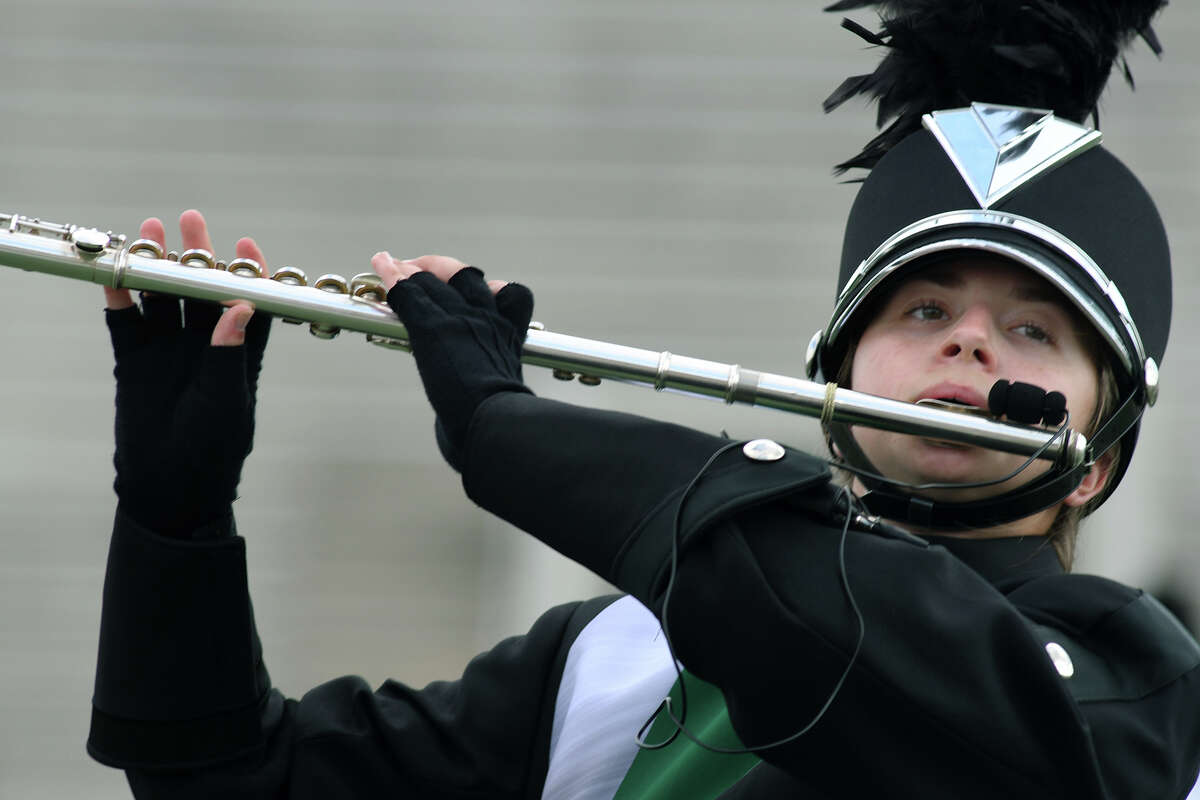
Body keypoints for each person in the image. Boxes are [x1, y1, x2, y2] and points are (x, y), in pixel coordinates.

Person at [87, 3, 1200, 798]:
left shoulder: (1137, 688)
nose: (966, 336)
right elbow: (224, 772)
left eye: (1032, 330)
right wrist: (174, 520)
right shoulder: (620, 660)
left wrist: (505, 427)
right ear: (839, 383)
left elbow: (854, 619)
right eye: (920, 311)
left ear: (1096, 455)